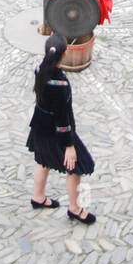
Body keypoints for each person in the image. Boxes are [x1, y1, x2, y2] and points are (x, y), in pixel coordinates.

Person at [26, 33, 96, 223]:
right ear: (64, 54)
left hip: (39, 126)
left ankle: (38, 197)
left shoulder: (40, 70)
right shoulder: (59, 84)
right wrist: (69, 145)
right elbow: (62, 118)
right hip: (55, 133)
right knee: (77, 167)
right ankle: (74, 208)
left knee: (43, 161)